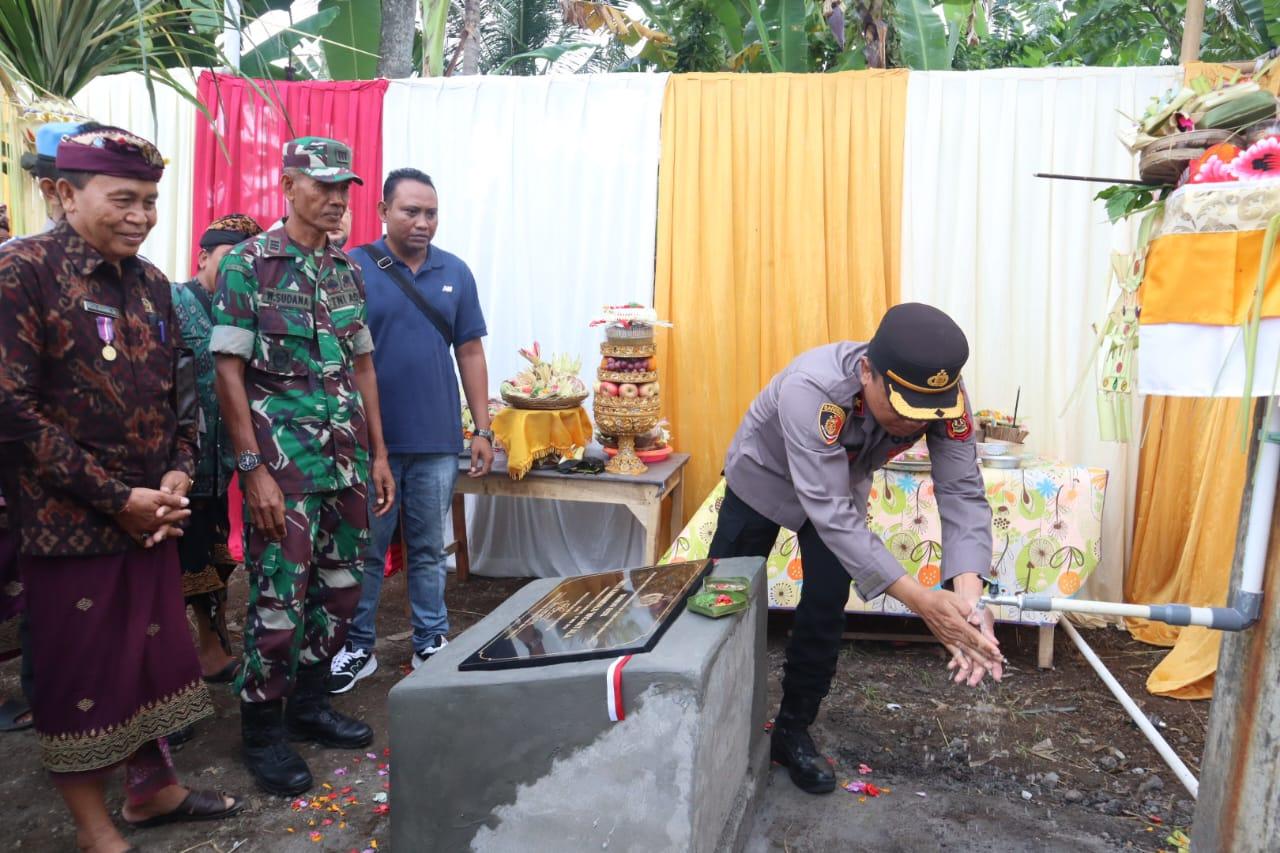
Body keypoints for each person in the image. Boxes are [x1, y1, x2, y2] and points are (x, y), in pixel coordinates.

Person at [0, 126, 243, 853]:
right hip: (69, 524)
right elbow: (10, 410)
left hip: (152, 514)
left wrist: (175, 470)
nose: (141, 215)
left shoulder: (152, 283)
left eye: (151, 200)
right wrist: (117, 496)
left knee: (149, 661)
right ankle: (93, 825)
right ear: (65, 193)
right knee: (84, 677)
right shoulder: (22, 273)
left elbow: (180, 390)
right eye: (124, 198)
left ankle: (153, 790)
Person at [711, 302, 1003, 795]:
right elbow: (828, 510)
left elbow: (962, 491)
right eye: (901, 411)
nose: (911, 426)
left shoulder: (943, 396)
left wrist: (967, 602)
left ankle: (792, 730)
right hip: (763, 478)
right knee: (723, 597)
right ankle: (711, 716)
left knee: (826, 603)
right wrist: (921, 601)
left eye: (925, 414)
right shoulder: (813, 389)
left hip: (839, 485)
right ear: (867, 370)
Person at [211, 137, 396, 796]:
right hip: (283, 472)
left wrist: (377, 453)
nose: (336, 198)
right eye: (322, 185)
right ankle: (263, 728)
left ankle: (311, 704)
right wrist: (252, 467)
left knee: (343, 590)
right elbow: (228, 371)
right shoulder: (248, 266)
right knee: (278, 602)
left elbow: (363, 364)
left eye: (343, 187)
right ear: (287, 185)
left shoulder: (347, 269)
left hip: (345, 462)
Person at [327, 168, 493, 694]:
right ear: (382, 211)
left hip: (437, 441)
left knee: (426, 547)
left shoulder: (455, 273)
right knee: (366, 550)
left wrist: (481, 429)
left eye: (431, 213)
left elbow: (469, 350)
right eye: (411, 211)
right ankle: (357, 646)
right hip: (367, 444)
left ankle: (430, 640)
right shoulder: (353, 267)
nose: (423, 222)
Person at [172, 213, 264, 683]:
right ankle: (187, 657)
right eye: (230, 260)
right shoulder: (172, 301)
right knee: (177, 566)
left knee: (215, 561)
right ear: (204, 256)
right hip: (175, 466)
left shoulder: (246, 311)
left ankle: (215, 645)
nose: (238, 272)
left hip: (222, 463)